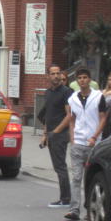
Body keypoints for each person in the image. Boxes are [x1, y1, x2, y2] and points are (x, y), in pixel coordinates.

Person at [64, 68, 107, 221]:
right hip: (78, 142)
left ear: (90, 80)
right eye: (79, 78)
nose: (82, 80)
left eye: (85, 77)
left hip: (93, 143)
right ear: (76, 81)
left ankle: (89, 210)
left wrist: (95, 136)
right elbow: (72, 119)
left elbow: (103, 118)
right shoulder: (73, 98)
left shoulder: (98, 97)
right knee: (76, 177)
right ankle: (74, 209)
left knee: (90, 178)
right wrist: (72, 137)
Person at [39, 64, 73, 208]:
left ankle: (65, 199)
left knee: (60, 167)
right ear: (48, 76)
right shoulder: (48, 93)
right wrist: (45, 134)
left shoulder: (66, 92)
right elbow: (47, 116)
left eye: (58, 73)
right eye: (52, 74)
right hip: (51, 134)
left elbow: (69, 115)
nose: (56, 76)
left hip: (60, 134)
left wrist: (56, 131)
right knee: (58, 167)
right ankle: (64, 197)